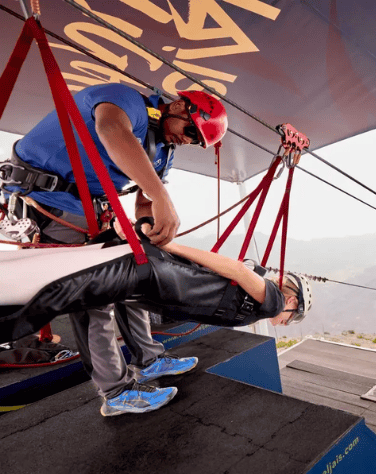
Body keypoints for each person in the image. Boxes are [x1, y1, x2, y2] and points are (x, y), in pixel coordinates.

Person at [0, 83, 228, 416]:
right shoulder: (126, 101)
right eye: (191, 131)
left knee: (133, 276)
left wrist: (149, 227)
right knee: (95, 297)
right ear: (179, 107)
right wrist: (163, 200)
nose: (188, 140)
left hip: (90, 211)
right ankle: (116, 391)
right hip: (48, 202)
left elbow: (145, 202)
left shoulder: (162, 151)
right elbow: (111, 130)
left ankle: (148, 359)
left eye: (196, 141)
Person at [0, 224, 314, 414]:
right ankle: (117, 392)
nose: (285, 321)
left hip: (162, 284)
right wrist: (172, 246)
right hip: (162, 279)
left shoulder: (260, 300)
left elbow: (234, 271)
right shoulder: (272, 302)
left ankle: (147, 360)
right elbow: (237, 270)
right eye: (292, 316)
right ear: (289, 300)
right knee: (94, 304)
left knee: (122, 300)